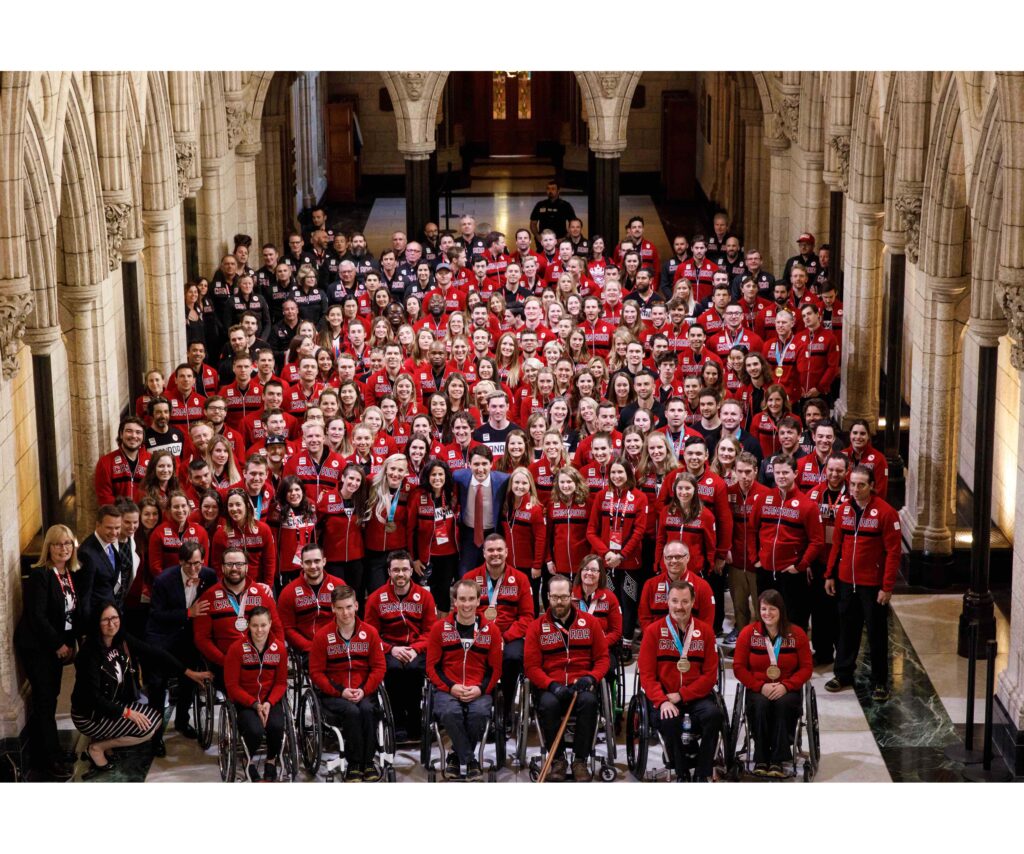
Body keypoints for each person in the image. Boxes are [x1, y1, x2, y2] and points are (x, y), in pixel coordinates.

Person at [71, 602, 210, 778]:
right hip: (89, 714)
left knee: (154, 720)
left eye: (114, 618)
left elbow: (155, 652)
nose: (111, 623)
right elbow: (94, 698)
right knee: (147, 729)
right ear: (96, 623)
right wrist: (127, 713)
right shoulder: (89, 654)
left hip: (112, 705)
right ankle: (98, 748)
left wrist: (188, 672)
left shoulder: (120, 639)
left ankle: (104, 740)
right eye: (105, 620)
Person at [824, 465, 903, 701]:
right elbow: (837, 545)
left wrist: (887, 587)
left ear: (872, 486)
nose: (856, 490)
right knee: (846, 630)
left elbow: (893, 553)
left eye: (861, 485)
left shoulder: (887, 513)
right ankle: (843, 673)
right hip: (847, 582)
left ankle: (879, 681)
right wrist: (830, 574)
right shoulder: (844, 511)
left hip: (872, 585)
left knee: (877, 634)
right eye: (853, 485)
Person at [13, 525, 84, 780]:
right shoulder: (40, 576)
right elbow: (38, 617)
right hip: (38, 647)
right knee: (44, 701)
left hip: (54, 646)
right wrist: (58, 644)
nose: (63, 548)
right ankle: (48, 759)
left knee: (51, 698)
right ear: (48, 548)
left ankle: (52, 750)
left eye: (67, 544)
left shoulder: (68, 573)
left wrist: (71, 641)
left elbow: (68, 613)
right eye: (57, 544)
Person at [524, 574, 609, 782]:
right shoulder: (536, 627)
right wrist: (550, 685)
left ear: (572, 596)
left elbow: (603, 659)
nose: (559, 602)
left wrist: (591, 678)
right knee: (548, 704)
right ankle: (558, 759)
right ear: (548, 597)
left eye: (563, 597)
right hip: (551, 687)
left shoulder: (590, 623)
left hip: (581, 686)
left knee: (589, 702)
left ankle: (580, 759)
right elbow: (531, 667)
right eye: (554, 597)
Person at [637, 580, 722, 782]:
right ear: (667, 601)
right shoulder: (653, 631)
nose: (679, 607)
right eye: (674, 601)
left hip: (696, 696)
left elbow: (710, 676)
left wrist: (683, 695)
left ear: (693, 602)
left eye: (684, 601)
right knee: (669, 719)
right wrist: (662, 700)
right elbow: (647, 675)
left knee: (714, 715)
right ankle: (682, 773)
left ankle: (703, 772)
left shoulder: (706, 632)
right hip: (664, 696)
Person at [145, 540, 217, 757]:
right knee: (158, 687)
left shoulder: (209, 576)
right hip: (162, 638)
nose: (195, 569)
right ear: (180, 562)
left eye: (199, 563)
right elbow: (156, 615)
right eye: (190, 564)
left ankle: (183, 722)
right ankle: (155, 736)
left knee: (190, 681)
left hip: (189, 638)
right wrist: (188, 613)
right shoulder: (164, 580)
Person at [425, 578, 503, 780]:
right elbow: (431, 667)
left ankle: (454, 756)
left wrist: (480, 689)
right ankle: (470, 761)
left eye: (471, 599)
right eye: (462, 599)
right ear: (455, 601)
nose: (466, 604)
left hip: (479, 689)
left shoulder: (491, 631)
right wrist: (451, 687)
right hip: (447, 688)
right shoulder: (439, 629)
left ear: (479, 601)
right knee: (450, 712)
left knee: (479, 714)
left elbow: (495, 669)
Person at [308, 585, 387, 781]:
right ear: (333, 608)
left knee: (368, 710)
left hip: (364, 690)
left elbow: (379, 668)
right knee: (352, 712)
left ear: (357, 606)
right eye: (340, 608)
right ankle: (354, 764)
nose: (345, 613)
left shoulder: (370, 633)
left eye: (349, 607)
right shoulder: (322, 636)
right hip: (334, 693)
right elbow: (316, 673)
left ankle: (367, 763)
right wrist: (341, 691)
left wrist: (363, 690)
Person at [732, 589, 813, 777]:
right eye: (763, 609)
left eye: (772, 609)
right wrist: (761, 686)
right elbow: (739, 667)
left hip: (787, 687)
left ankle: (777, 760)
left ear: (781, 610)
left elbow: (806, 668)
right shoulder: (748, 633)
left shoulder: (797, 634)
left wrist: (786, 685)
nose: (767, 613)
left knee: (783, 705)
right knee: (760, 705)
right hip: (758, 686)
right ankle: (761, 757)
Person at [364, 550, 437, 742]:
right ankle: (397, 721)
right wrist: (391, 649)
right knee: (394, 670)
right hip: (389, 649)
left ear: (412, 571)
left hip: (416, 649)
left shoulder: (425, 597)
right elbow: (370, 635)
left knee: (414, 670)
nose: (401, 574)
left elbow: (430, 632)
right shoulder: (376, 598)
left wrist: (414, 649)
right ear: (388, 571)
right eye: (396, 570)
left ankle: (414, 719)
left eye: (405, 569)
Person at [749, 453, 825, 629]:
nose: (781, 477)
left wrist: (800, 565)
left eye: (785, 472)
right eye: (777, 473)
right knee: (766, 617)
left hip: (791, 573)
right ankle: (768, 653)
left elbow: (817, 541)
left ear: (795, 474)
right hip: (766, 570)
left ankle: (793, 654)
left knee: (794, 618)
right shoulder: (763, 499)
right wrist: (755, 559)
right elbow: (752, 530)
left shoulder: (807, 505)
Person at [463, 534, 533, 719]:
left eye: (499, 550)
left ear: (507, 552)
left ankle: (508, 710)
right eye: (491, 550)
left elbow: (527, 617)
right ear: (484, 553)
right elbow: (462, 612)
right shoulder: (470, 578)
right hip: (479, 635)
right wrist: (480, 634)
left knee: (512, 657)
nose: (495, 554)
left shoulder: (521, 579)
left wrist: (506, 637)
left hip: (509, 636)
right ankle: (479, 708)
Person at [224, 606, 288, 781]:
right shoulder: (236, 649)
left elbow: (281, 683)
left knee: (276, 727)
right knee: (255, 730)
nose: (259, 630)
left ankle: (271, 760)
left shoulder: (279, 649)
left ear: (270, 624)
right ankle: (248, 760)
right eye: (254, 626)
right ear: (248, 626)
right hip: (246, 701)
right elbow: (232, 686)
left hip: (270, 700)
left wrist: (268, 703)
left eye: (263, 625)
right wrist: (254, 704)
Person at [453, 445, 510, 577]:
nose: (480, 469)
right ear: (469, 465)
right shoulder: (458, 477)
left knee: (495, 575)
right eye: (476, 464)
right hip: (468, 534)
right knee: (465, 576)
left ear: (491, 464)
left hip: (493, 534)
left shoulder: (503, 480)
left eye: (484, 464)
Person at [277, 543, 344, 656]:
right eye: (308, 562)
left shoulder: (339, 585)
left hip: (337, 646)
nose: (313, 566)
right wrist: (310, 647)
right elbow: (287, 628)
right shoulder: (288, 592)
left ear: (324, 561)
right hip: (307, 650)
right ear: (301, 564)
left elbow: (347, 618)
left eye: (317, 561)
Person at [77, 504, 123, 624]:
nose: (114, 532)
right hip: (96, 619)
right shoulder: (87, 553)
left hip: (110, 612)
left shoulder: (109, 542)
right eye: (109, 528)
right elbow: (85, 596)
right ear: (97, 525)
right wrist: (87, 627)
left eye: (117, 528)